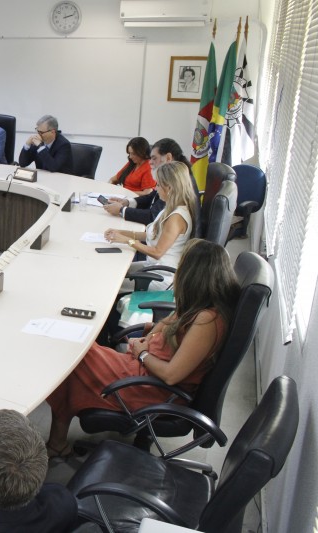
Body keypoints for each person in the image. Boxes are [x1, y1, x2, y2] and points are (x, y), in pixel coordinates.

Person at [45, 239, 241, 457]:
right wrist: (149, 338)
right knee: (78, 351)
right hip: (142, 371)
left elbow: (171, 375)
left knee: (77, 355)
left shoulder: (207, 321)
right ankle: (57, 442)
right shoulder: (198, 305)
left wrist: (142, 353)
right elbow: (168, 322)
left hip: (152, 389)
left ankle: (57, 443)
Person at [105, 161, 198, 292]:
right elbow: (153, 234)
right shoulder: (171, 207)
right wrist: (121, 233)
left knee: (111, 283)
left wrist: (128, 241)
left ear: (169, 188)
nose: (156, 188)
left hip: (163, 276)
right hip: (154, 267)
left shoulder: (176, 218)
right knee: (114, 270)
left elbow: (157, 252)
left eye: (158, 184)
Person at [103, 138, 200, 228]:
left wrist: (121, 210)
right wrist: (127, 202)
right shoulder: (174, 174)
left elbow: (153, 216)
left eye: (154, 158)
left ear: (168, 158)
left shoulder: (178, 180)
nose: (150, 162)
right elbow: (151, 197)